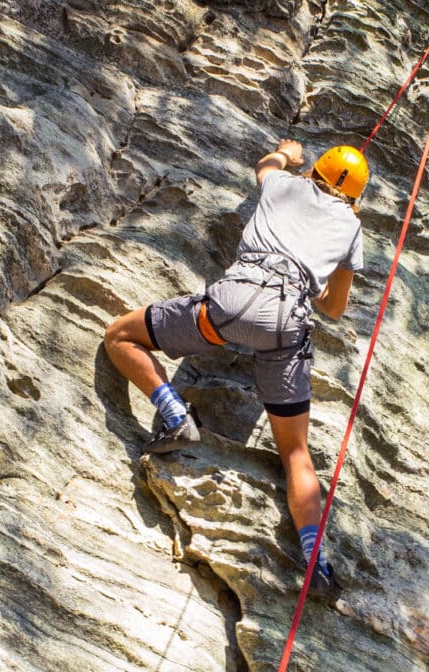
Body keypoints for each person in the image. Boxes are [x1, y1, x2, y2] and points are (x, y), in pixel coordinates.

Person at [104, 139, 369, 602]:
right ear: (357, 197)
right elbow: (334, 309)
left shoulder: (284, 185)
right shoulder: (350, 226)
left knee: (120, 336)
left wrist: (288, 153)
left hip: (235, 303)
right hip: (287, 324)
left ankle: (175, 416)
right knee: (296, 455)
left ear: (315, 173)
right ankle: (314, 562)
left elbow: (264, 166)